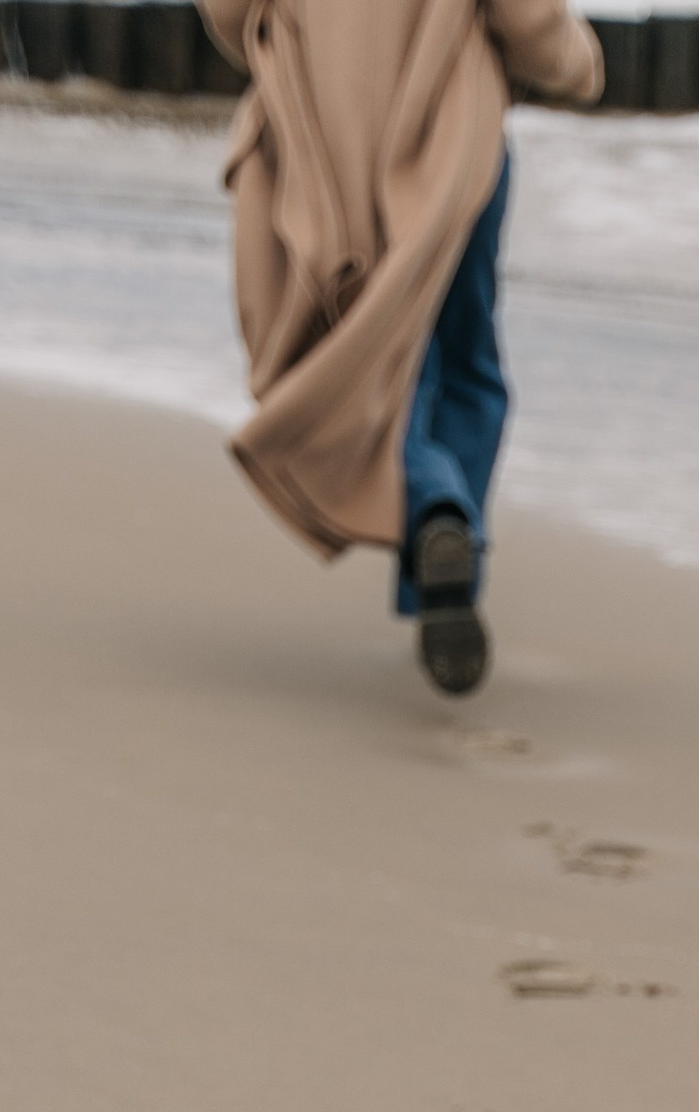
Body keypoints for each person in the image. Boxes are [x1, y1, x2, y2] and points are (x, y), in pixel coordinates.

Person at [201, 0, 605, 698]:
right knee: (468, 359)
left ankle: (430, 512)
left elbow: (231, 8)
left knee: (367, 358)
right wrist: (579, 65)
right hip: (453, 136)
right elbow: (528, 19)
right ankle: (444, 558)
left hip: (325, 133)